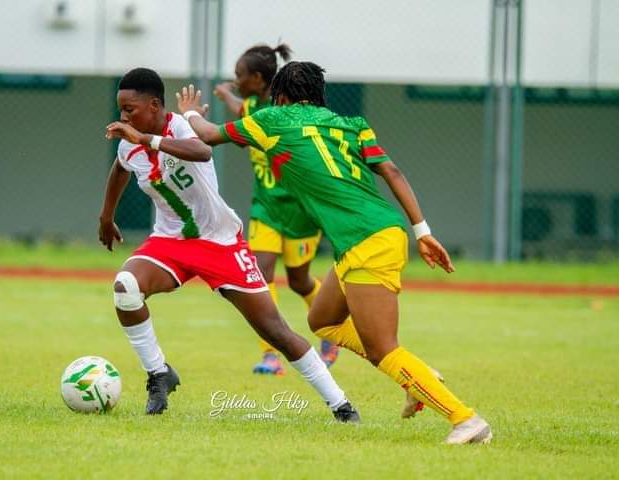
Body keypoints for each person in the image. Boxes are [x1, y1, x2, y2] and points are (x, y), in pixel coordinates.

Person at [174, 62, 492, 444]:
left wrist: (189, 111)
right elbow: (391, 170)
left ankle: (466, 419)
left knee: (382, 349)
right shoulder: (351, 123)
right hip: (376, 234)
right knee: (322, 319)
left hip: (366, 240)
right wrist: (422, 231)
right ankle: (418, 377)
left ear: (282, 96)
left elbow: (207, 135)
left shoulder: (274, 117)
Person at [101, 67, 358, 421]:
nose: (123, 117)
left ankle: (341, 404)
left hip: (219, 242)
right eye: (121, 110)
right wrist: (106, 216)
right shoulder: (131, 143)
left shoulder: (179, 127)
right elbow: (119, 169)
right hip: (169, 242)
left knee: (275, 331)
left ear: (156, 105)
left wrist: (146, 139)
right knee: (125, 287)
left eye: (130, 109)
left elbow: (202, 151)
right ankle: (159, 374)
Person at [214, 44, 339, 375]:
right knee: (261, 273)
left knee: (299, 281)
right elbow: (240, 110)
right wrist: (228, 93)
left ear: (257, 78)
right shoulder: (253, 105)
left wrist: (226, 95)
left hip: (300, 211)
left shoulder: (279, 113)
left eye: (239, 75)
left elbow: (240, 110)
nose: (235, 80)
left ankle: (332, 333)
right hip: (265, 209)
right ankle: (270, 354)